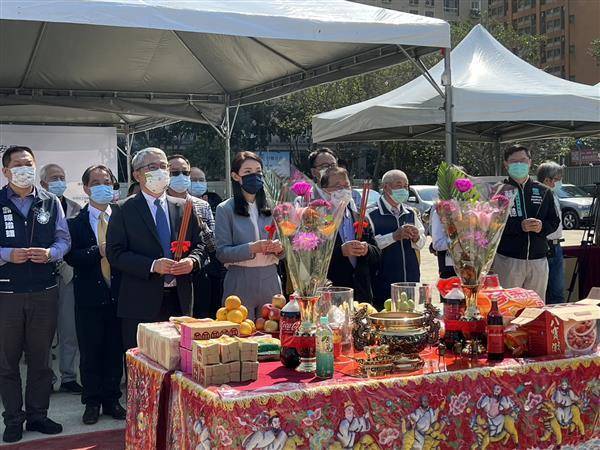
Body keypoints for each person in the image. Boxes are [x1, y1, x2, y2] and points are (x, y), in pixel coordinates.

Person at [106, 147, 209, 351]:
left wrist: (192, 261)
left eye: (164, 166)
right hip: (140, 303)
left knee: (179, 366)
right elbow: (115, 253)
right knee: (143, 367)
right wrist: (152, 265)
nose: (160, 171)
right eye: (152, 167)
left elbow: (202, 245)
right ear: (137, 174)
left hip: (179, 301)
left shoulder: (184, 207)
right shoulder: (123, 209)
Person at [0, 146, 70, 443]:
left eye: (29, 164)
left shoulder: (50, 201)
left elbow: (63, 238)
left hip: (44, 292)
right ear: (6, 171)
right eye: (18, 165)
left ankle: (38, 415)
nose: (24, 169)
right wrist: (6, 254)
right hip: (7, 293)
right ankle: (13, 418)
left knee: (41, 360)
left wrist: (52, 253)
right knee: (7, 361)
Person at [64, 165, 125, 425]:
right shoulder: (74, 223)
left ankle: (112, 399)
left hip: (119, 296)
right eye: (96, 182)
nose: (103, 186)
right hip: (89, 299)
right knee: (90, 352)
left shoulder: (123, 217)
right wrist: (97, 251)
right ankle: (91, 402)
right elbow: (70, 256)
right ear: (86, 188)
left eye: (107, 182)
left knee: (114, 351)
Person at [215, 151, 283, 320]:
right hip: (240, 279)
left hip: (270, 278)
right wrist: (253, 248)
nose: (255, 176)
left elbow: (288, 247)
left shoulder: (274, 206)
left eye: (258, 172)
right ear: (235, 176)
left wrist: (280, 248)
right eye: (247, 172)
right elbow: (222, 252)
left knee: (272, 334)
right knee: (241, 335)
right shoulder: (225, 209)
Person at [493, 146, 559, 299]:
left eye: (522, 160)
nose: (518, 164)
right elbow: (492, 224)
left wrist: (542, 227)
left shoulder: (544, 191)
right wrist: (519, 226)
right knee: (507, 308)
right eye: (513, 161)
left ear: (530, 162)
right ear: (506, 164)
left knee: (535, 309)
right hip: (508, 260)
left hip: (538, 260)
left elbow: (554, 221)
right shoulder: (498, 190)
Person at [39, 163, 82, 394]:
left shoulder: (75, 207)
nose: (59, 182)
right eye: (54, 178)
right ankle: (47, 377)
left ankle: (68, 376)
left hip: (68, 275)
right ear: (44, 183)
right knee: (43, 333)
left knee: (69, 330)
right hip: (41, 275)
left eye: (62, 177)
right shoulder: (37, 207)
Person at [367, 170, 426, 307]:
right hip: (382, 281)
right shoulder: (371, 213)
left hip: (410, 280)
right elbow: (370, 246)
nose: (404, 189)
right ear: (386, 187)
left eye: (406, 186)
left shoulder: (411, 213)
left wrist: (416, 237)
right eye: (399, 185)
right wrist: (393, 236)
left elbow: (422, 242)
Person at [321, 167, 380, 303]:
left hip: (361, 294)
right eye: (337, 186)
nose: (343, 190)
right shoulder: (317, 219)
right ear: (325, 191)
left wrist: (367, 249)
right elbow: (312, 258)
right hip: (332, 293)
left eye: (346, 186)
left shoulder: (360, 217)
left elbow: (377, 253)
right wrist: (341, 251)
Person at [167, 154, 216, 317]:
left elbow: (212, 244)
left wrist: (199, 225)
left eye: (185, 172)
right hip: (169, 275)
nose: (180, 176)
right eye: (174, 172)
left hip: (198, 272)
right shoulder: (160, 205)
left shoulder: (202, 205)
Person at [537, 161, 565, 304]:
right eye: (558, 179)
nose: (560, 182)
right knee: (543, 291)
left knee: (558, 291)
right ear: (547, 179)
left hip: (557, 246)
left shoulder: (553, 195)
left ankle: (559, 322)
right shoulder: (537, 196)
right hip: (544, 247)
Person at [430, 207, 456, 279]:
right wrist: (457, 240)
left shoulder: (474, 208)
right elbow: (438, 244)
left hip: (474, 268)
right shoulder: (441, 210)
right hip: (449, 269)